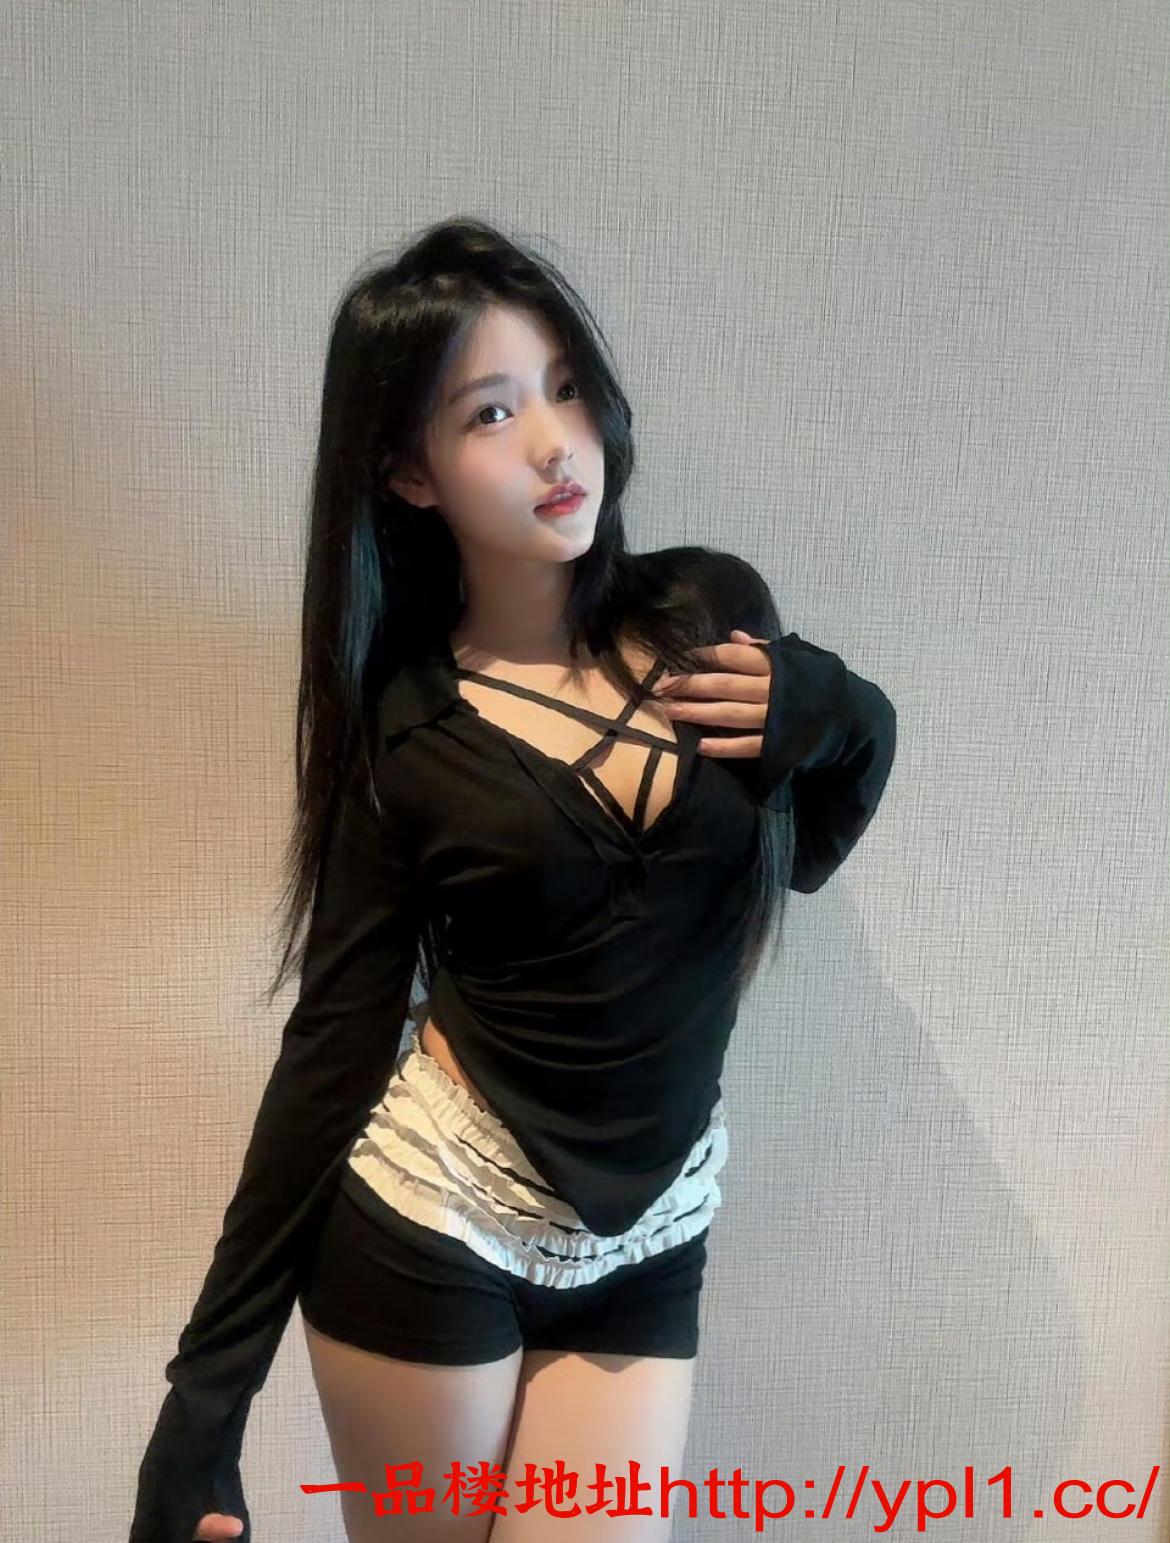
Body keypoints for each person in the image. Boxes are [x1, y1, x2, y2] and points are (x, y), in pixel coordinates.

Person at [128, 217, 897, 1542]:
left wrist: (847, 714)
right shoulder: (408, 733)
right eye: (490, 412)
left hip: (650, 1238)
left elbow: (802, 854)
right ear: (406, 472)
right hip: (435, 1224)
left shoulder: (709, 611)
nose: (554, 443)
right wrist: (204, 1405)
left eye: (565, 387)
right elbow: (333, 1048)